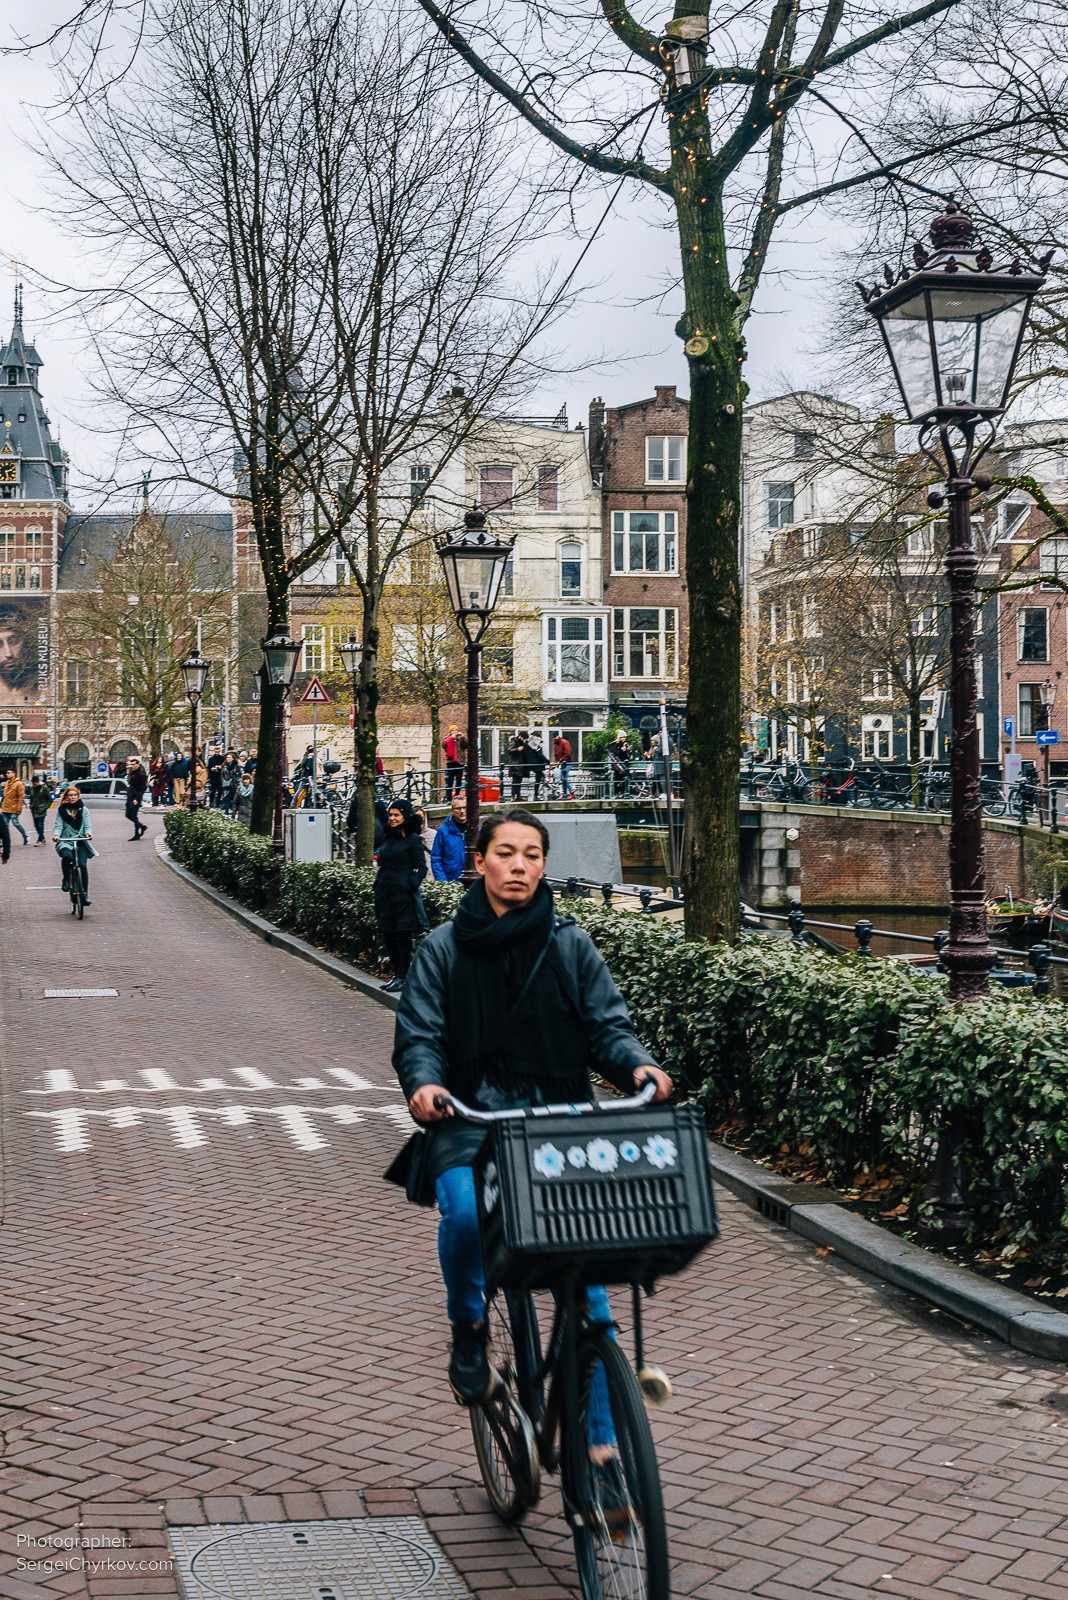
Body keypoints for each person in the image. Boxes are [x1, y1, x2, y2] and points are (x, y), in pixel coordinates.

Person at [391, 809, 673, 1404]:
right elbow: (420, 1035)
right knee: (465, 1215)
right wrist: (424, 1084)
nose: (519, 866)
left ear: (544, 865)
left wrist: (636, 1064)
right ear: (479, 862)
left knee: (589, 1289)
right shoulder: (442, 951)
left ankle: (600, 1455)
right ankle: (469, 1328)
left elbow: (607, 1028)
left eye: (532, 856)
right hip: (469, 1118)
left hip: (557, 1121)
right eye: (505, 853)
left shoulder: (571, 945)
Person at [374, 797, 428, 993]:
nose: (392, 818)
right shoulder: (388, 838)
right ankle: (396, 974)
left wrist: (410, 884)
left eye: (396, 815)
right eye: (390, 814)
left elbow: (421, 867)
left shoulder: (412, 840)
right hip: (385, 895)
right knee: (388, 935)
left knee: (402, 937)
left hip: (403, 897)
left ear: (405, 816)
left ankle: (403, 976)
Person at [53, 785, 98, 904]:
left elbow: (88, 825)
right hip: (65, 841)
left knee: (82, 865)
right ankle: (66, 879)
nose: (72, 797)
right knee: (67, 856)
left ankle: (85, 895)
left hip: (80, 840)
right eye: (70, 795)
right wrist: (56, 835)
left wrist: (88, 834)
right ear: (66, 797)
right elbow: (58, 825)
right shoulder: (62, 810)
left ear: (78, 796)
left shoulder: (84, 810)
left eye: (75, 795)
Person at [430, 794, 466, 882]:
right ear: (452, 810)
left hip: (472, 881)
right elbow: (436, 857)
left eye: (465, 807)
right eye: (458, 808)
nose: (462, 811)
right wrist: (443, 882)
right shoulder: (443, 831)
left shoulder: (475, 829)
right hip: (451, 880)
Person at [2, 767, 29, 847]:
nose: (7, 774)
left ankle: (25, 835)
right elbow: (4, 796)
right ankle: (4, 841)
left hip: (14, 807)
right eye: (6, 773)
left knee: (16, 823)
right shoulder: (6, 783)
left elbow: (21, 797)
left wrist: (19, 808)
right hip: (5, 807)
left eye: (8, 772)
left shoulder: (19, 784)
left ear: (14, 773)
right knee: (4, 825)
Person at [124, 756, 149, 840]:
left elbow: (142, 788)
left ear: (138, 764)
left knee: (134, 815)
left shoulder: (141, 775)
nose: (133, 766)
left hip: (136, 798)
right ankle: (141, 826)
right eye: (132, 764)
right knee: (128, 815)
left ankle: (136, 833)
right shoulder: (131, 773)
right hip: (130, 796)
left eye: (134, 764)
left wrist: (137, 798)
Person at [28, 774, 53, 845]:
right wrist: (31, 805)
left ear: (38, 782)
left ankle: (40, 840)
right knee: (36, 825)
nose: (34, 784)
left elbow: (50, 799)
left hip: (41, 809)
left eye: (35, 783)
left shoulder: (44, 788)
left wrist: (45, 807)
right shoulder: (32, 789)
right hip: (34, 810)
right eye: (33, 783)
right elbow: (31, 798)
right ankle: (42, 838)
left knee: (40, 825)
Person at [523, 734, 549, 801]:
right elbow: (540, 755)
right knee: (539, 778)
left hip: (531, 764)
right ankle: (537, 794)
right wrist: (548, 762)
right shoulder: (537, 744)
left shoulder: (527, 744)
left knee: (539, 778)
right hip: (537, 764)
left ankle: (537, 794)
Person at [442, 725, 464, 801]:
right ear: (450, 732)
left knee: (459, 781)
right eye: (453, 730)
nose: (455, 731)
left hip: (459, 762)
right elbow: (444, 745)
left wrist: (463, 737)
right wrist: (451, 738)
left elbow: (466, 746)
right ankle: (448, 799)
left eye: (456, 730)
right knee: (450, 781)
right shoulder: (447, 739)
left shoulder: (460, 739)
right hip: (451, 762)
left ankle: (457, 797)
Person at [609, 729, 631, 797]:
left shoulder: (626, 744)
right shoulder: (615, 744)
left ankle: (624, 792)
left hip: (625, 763)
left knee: (625, 778)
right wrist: (621, 750)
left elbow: (628, 755)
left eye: (625, 737)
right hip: (617, 764)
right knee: (617, 778)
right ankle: (617, 793)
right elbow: (615, 753)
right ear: (620, 737)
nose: (624, 738)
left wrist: (628, 751)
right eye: (623, 737)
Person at [219, 750, 242, 816]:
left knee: (234, 799)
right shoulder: (224, 766)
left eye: (229, 757)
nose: (228, 758)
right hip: (226, 785)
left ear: (233, 758)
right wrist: (224, 781)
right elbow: (221, 775)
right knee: (226, 798)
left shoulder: (236, 766)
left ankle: (233, 812)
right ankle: (226, 811)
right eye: (227, 757)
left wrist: (236, 780)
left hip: (234, 785)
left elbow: (239, 775)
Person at [506, 732, 527, 801]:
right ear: (520, 736)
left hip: (519, 764)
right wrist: (517, 749)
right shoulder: (514, 741)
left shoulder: (521, 743)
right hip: (515, 764)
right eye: (523, 738)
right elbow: (509, 750)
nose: (524, 740)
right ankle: (513, 796)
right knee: (515, 781)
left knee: (518, 780)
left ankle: (518, 795)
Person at [552, 733, 573, 798]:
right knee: (561, 778)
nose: (554, 738)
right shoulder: (555, 745)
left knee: (564, 778)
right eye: (553, 737)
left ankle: (571, 791)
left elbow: (567, 753)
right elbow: (556, 756)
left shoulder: (565, 742)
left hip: (567, 763)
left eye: (555, 737)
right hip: (561, 763)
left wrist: (559, 761)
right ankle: (566, 793)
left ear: (558, 736)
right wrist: (555, 763)